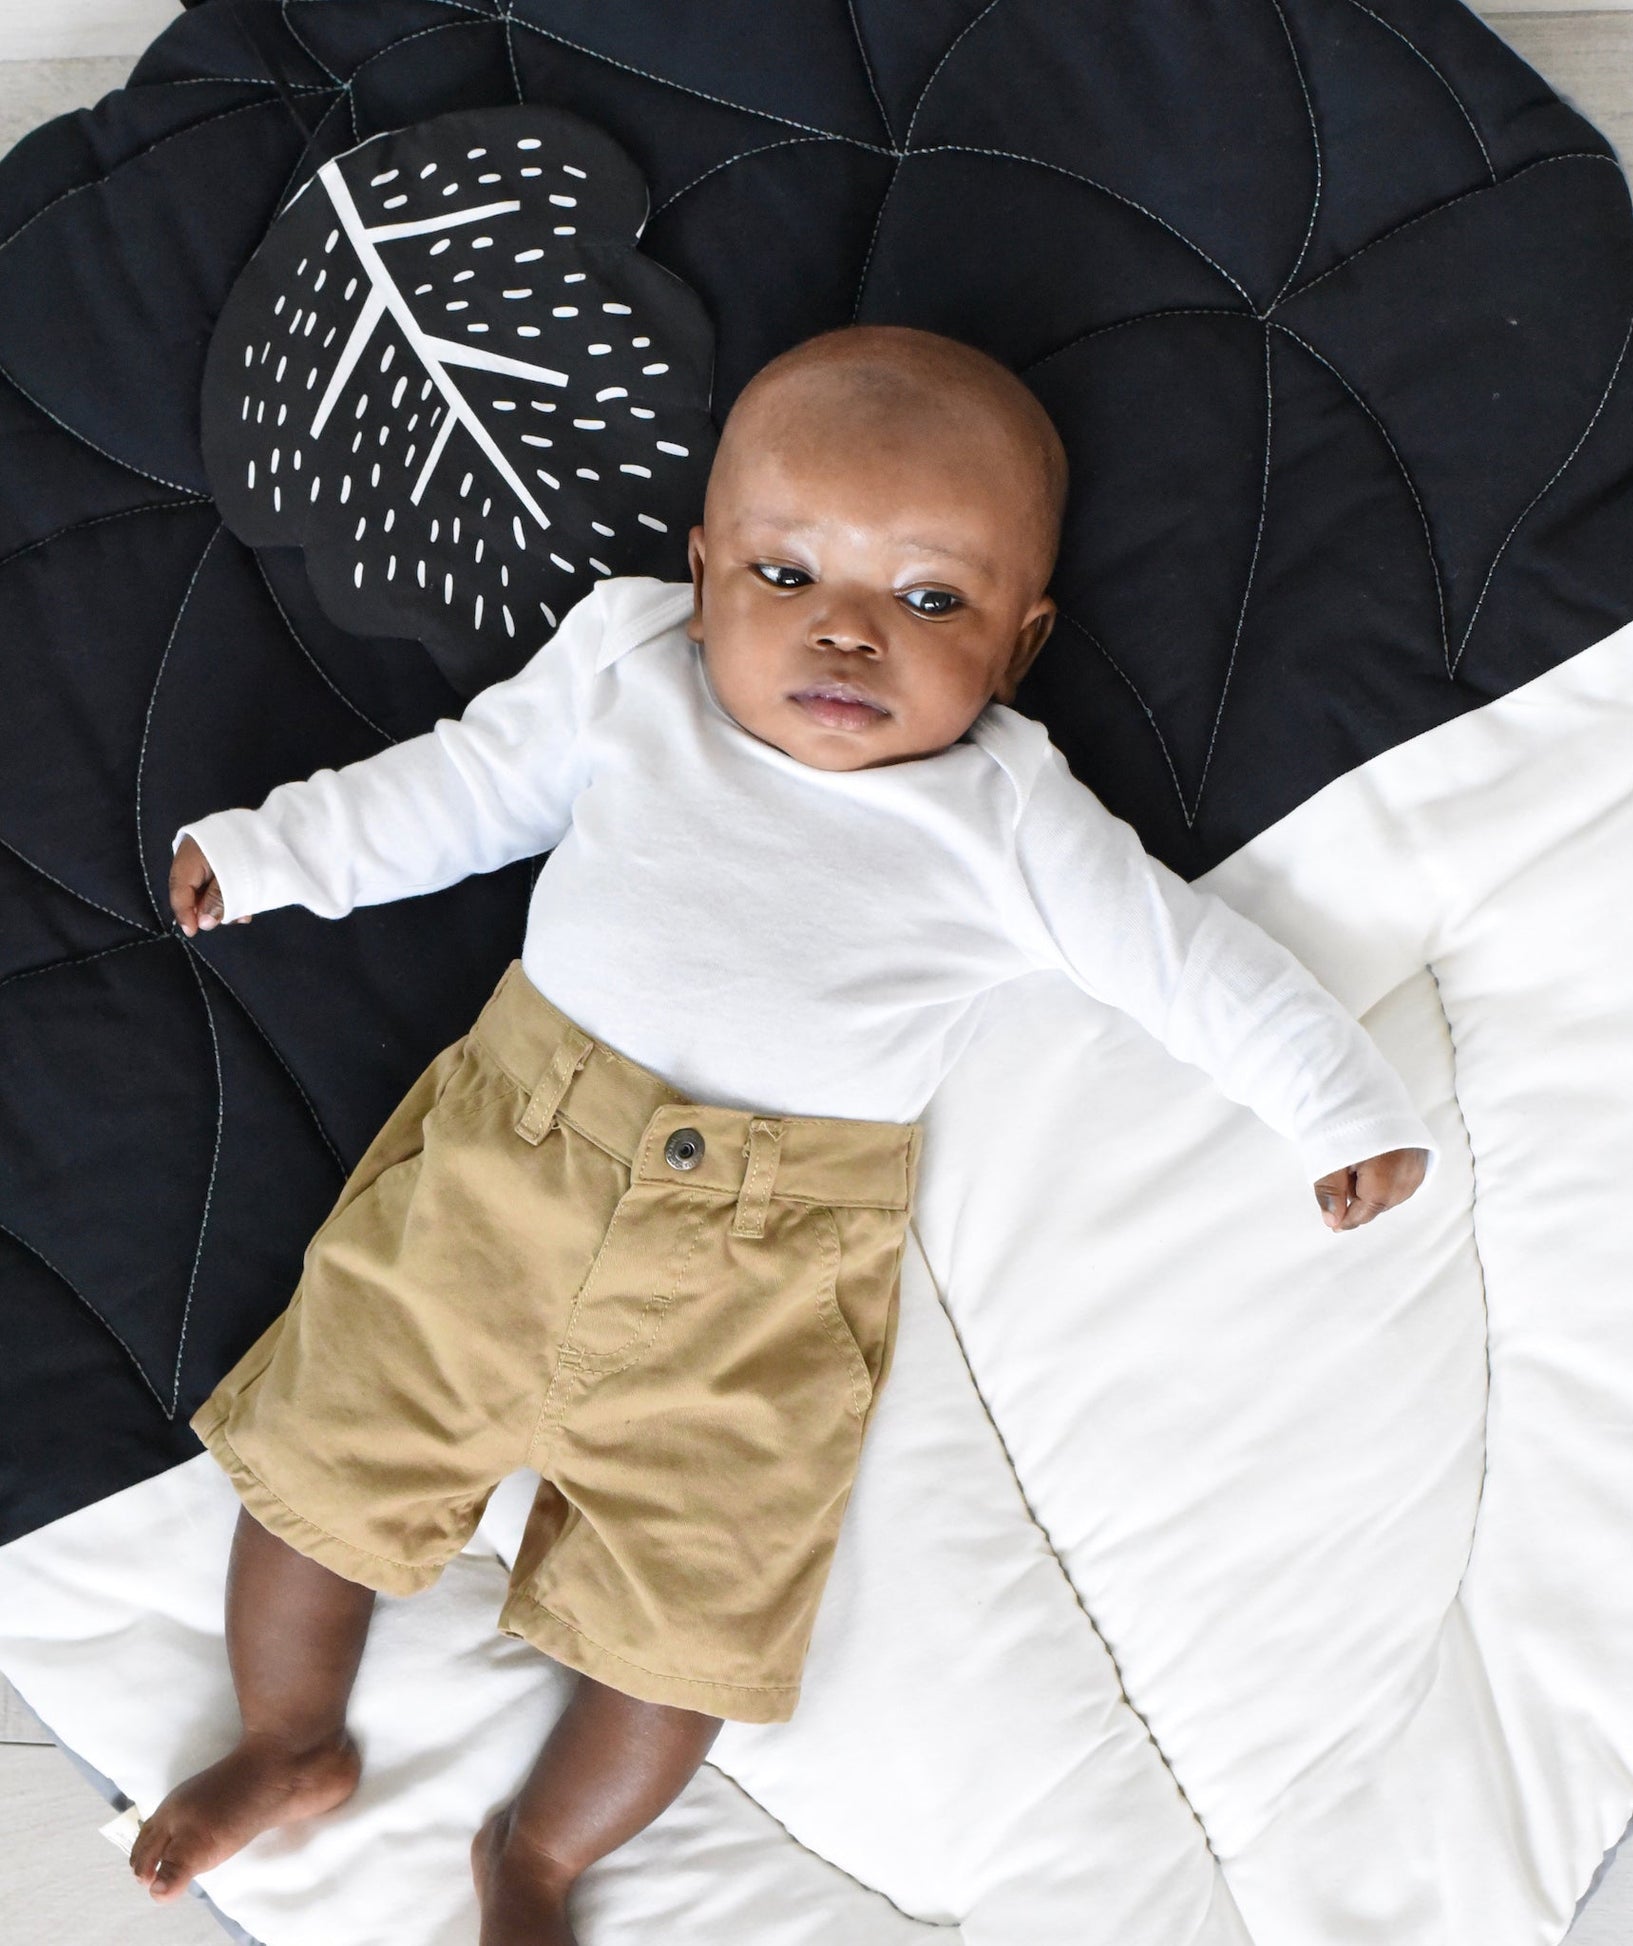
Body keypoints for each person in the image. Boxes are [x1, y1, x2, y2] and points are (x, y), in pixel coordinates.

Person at [135, 323, 1435, 1943]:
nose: (845, 629)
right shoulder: (632, 676)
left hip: (760, 1282)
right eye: (785, 571)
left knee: (686, 1622)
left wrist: (1332, 1102)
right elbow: (457, 788)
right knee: (321, 1460)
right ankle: (289, 1735)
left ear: (1019, 645)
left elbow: (1189, 969)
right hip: (508, 1169)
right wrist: (278, 852)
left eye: (930, 599)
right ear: (701, 566)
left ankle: (533, 1857)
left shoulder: (1007, 818)